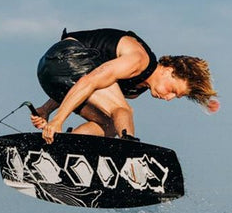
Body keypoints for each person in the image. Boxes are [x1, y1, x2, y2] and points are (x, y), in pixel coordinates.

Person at [30, 28, 218, 143]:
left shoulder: (135, 89)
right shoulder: (139, 60)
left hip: (49, 71)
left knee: (110, 124)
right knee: (122, 110)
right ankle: (130, 152)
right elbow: (89, 80)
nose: (168, 98)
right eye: (173, 91)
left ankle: (69, 149)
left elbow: (78, 84)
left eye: (174, 97)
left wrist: (46, 109)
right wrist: (58, 120)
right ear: (169, 70)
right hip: (66, 55)